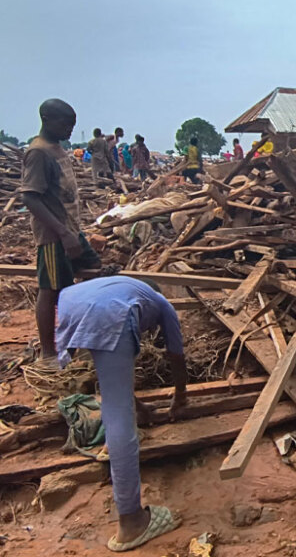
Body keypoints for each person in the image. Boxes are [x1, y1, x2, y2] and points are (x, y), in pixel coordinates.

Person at [55, 276, 186, 551]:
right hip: (107, 313)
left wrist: (140, 407)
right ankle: (132, 521)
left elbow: (110, 371)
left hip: (72, 305)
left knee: (115, 396)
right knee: (119, 415)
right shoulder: (161, 303)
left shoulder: (122, 288)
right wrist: (180, 397)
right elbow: (176, 355)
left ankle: (110, 446)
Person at [19, 98, 102, 360]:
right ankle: (48, 352)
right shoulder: (38, 152)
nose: (69, 130)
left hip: (71, 230)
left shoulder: (56, 148)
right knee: (52, 289)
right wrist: (62, 233)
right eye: (66, 124)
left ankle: (85, 338)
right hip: (54, 236)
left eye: (72, 125)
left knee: (95, 273)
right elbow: (30, 198)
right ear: (47, 120)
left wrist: (73, 232)